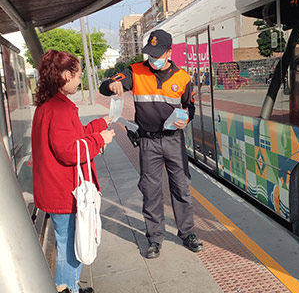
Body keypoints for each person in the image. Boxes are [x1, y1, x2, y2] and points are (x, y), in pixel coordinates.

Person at [99, 29, 203, 258]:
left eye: (157, 54)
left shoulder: (183, 78)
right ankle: (154, 238)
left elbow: (190, 107)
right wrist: (111, 86)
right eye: (150, 54)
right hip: (148, 142)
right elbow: (106, 86)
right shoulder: (135, 72)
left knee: (181, 187)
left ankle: (187, 233)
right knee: (150, 189)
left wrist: (185, 119)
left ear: (169, 52)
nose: (152, 59)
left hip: (174, 140)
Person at [31, 50, 115, 293]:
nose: (80, 81)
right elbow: (69, 151)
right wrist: (100, 140)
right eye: (78, 75)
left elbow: (74, 136)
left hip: (56, 188)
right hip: (64, 191)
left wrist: (101, 125)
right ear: (66, 75)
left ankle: (72, 285)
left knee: (70, 243)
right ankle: (67, 288)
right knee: (70, 246)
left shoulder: (49, 105)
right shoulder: (59, 108)